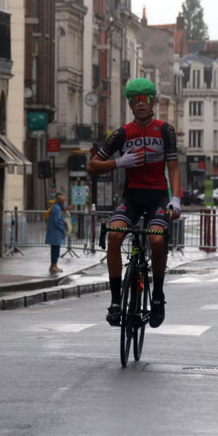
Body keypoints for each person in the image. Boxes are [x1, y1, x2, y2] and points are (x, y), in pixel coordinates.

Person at [86, 77, 181, 329]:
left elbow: (173, 167)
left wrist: (176, 198)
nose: (140, 104)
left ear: (153, 102)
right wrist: (118, 162)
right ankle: (116, 301)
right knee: (114, 236)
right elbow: (92, 165)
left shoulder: (165, 130)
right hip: (132, 197)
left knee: (157, 239)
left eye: (145, 99)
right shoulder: (121, 134)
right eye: (135, 100)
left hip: (158, 197)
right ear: (129, 104)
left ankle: (158, 296)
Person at [45, 192, 67, 274]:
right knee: (56, 250)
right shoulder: (57, 208)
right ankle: (54, 266)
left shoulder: (55, 207)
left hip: (54, 232)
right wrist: (63, 227)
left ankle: (53, 265)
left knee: (54, 249)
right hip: (56, 233)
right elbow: (57, 221)